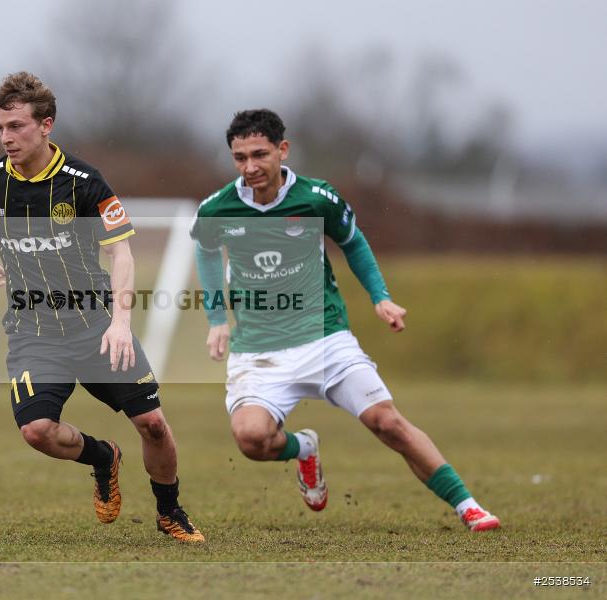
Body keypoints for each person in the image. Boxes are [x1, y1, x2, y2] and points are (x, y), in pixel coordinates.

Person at [189, 108, 500, 532]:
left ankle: (468, 506)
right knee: (251, 439)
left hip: (323, 338)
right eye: (240, 158)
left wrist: (381, 298)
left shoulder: (318, 198)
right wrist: (216, 318)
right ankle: (304, 449)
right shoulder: (217, 208)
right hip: (259, 350)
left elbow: (354, 243)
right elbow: (205, 251)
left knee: (387, 422)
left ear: (283, 150)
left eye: (259, 154)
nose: (250, 167)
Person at [0, 71, 203, 542]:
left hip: (95, 324)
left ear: (46, 124)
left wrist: (119, 323)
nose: (6, 137)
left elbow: (122, 253)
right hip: (33, 330)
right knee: (37, 431)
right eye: (0, 127)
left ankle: (170, 512)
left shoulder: (84, 182)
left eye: (17, 126)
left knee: (153, 425)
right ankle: (102, 458)